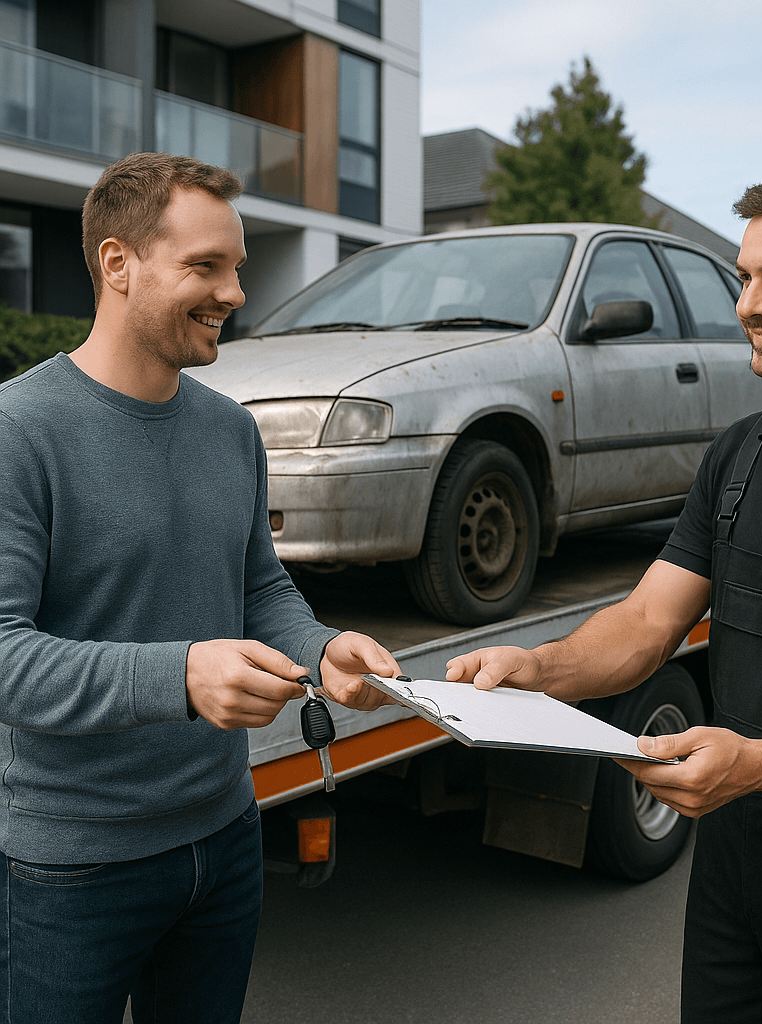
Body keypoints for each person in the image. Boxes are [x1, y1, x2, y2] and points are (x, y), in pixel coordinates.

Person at [344, 168, 762, 1021]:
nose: (748, 305)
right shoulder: (737, 455)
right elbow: (645, 621)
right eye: (745, 277)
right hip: (734, 872)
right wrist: (538, 668)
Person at [0, 153, 401, 1024]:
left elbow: (259, 588)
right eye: (205, 266)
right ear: (118, 263)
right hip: (73, 870)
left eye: (237, 267)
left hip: (226, 841)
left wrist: (322, 647)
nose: (234, 293)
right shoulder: (18, 431)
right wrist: (181, 676)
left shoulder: (231, 431)